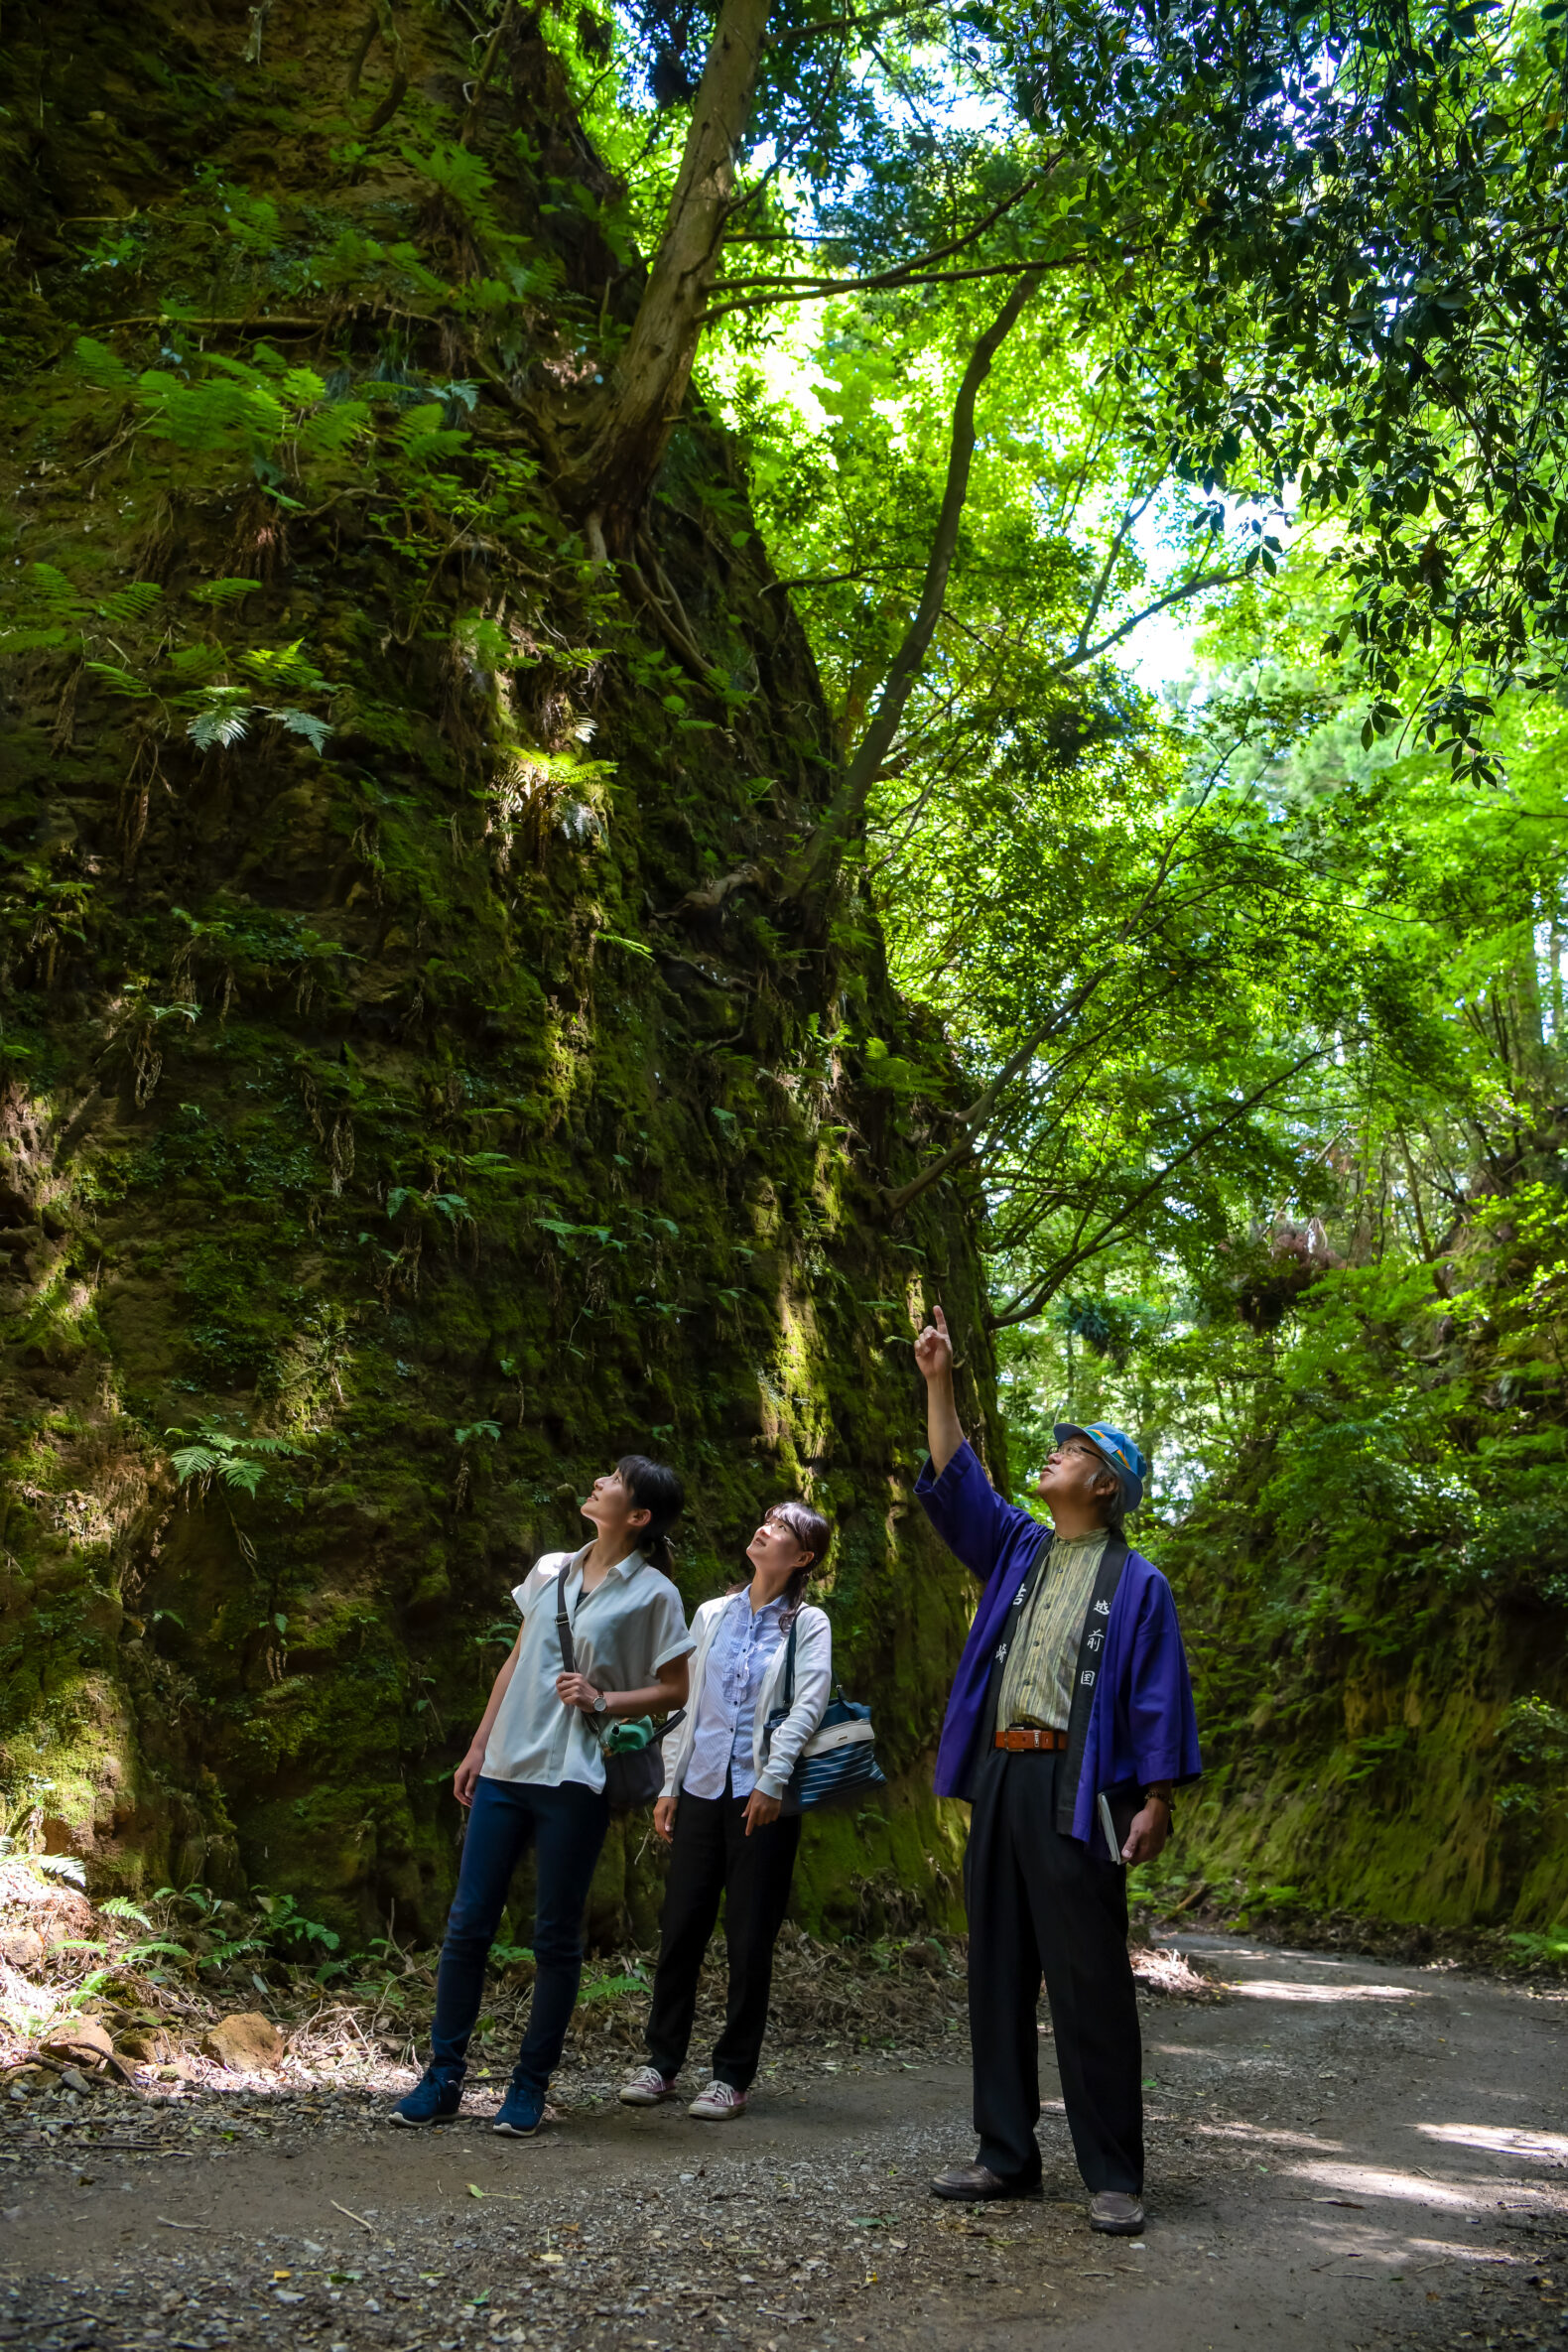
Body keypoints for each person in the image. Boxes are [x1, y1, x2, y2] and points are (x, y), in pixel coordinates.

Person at [912, 1305, 1201, 2233]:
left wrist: (1155, 1796)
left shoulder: (1139, 1583)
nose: (1053, 1456)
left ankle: (1113, 2173)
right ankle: (1007, 2156)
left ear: (1106, 1483)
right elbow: (961, 1483)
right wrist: (939, 1381)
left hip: (1081, 1788)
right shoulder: (1020, 1550)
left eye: (1071, 1450)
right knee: (995, 1967)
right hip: (1002, 1776)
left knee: (1088, 1979)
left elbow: (1156, 1695)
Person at [392, 1455, 694, 2136]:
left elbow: (677, 1687)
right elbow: (516, 1659)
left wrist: (604, 1696)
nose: (599, 1481)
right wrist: (477, 1747)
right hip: (506, 1766)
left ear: (638, 1515)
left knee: (555, 1938)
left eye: (614, 1480)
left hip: (574, 1776)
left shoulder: (653, 1594)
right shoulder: (551, 1567)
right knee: (468, 1925)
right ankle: (442, 2078)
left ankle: (529, 2087)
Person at [617, 1499, 833, 2121]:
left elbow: (806, 1707)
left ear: (803, 1557)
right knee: (680, 1927)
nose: (764, 1530)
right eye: (763, 1521)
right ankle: (661, 2063)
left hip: (760, 1804)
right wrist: (667, 1785)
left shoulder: (807, 1624)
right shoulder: (712, 1612)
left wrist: (772, 1780)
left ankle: (732, 2075)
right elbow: (691, 1706)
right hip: (702, 1791)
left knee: (748, 1939)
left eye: (782, 1529)